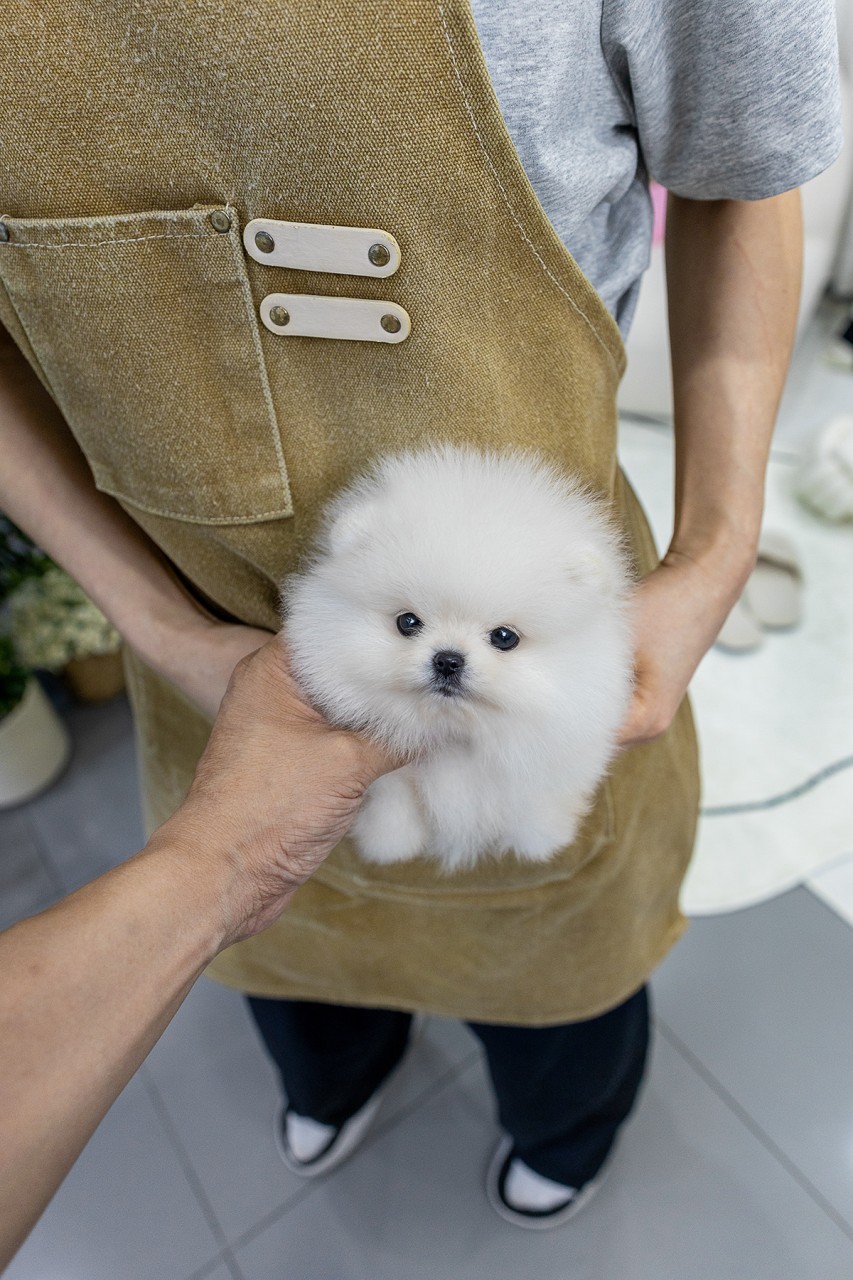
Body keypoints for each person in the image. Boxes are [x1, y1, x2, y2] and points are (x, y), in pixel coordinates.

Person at [0, 0, 841, 1231]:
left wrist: (713, 550)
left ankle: (565, 1120)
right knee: (287, 959)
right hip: (205, 646)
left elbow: (738, 170)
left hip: (549, 635)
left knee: (558, 962)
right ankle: (333, 1074)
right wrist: (160, 629)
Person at [0, 637, 404, 1272]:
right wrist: (173, 632)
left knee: (556, 1002)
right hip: (231, 685)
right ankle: (332, 1088)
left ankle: (563, 1138)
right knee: (299, 979)